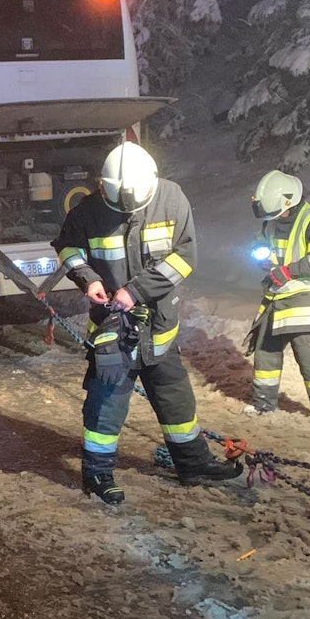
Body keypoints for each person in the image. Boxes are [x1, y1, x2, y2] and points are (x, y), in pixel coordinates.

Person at [53, 141, 241, 505]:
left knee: (177, 403)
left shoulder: (172, 199)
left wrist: (135, 291)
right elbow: (68, 248)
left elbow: (184, 256)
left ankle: (194, 464)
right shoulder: (89, 211)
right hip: (114, 331)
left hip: (160, 329)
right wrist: (88, 278)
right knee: (106, 404)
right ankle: (97, 473)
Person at [244, 170, 310, 429]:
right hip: (275, 299)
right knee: (265, 355)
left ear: (290, 201)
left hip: (303, 304)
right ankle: (264, 406)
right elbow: (259, 246)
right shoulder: (272, 220)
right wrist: (260, 256)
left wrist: (288, 271)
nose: (274, 218)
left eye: (277, 213)